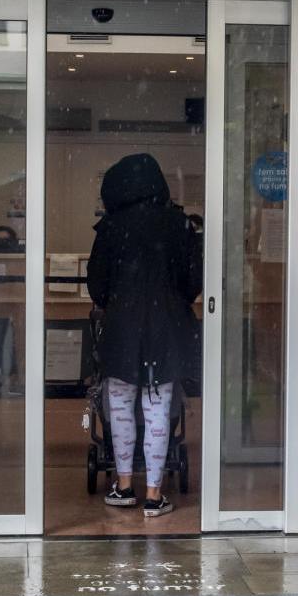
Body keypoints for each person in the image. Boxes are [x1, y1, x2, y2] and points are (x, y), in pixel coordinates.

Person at [87, 153, 202, 518]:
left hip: (122, 330)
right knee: (158, 409)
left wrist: (119, 302)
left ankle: (123, 487)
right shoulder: (178, 225)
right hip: (167, 330)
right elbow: (192, 282)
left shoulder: (110, 229)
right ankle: (154, 494)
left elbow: (97, 286)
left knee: (119, 407)